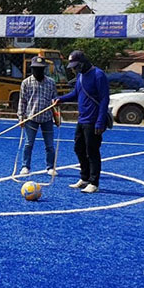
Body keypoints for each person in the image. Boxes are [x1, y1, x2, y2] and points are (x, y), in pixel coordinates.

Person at [54, 49, 110, 193]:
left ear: (84, 62)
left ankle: (94, 182)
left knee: (92, 151)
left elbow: (104, 99)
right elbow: (76, 94)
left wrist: (100, 121)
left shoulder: (98, 75)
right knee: (78, 148)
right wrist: (61, 99)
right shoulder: (80, 77)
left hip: (94, 120)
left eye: (76, 66)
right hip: (82, 119)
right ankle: (84, 177)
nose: (74, 69)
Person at [16, 56, 58, 176]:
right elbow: (22, 101)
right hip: (31, 118)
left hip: (47, 118)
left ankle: (50, 167)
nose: (38, 71)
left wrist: (57, 118)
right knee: (28, 144)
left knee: (49, 145)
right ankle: (25, 166)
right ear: (32, 69)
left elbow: (55, 102)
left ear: (44, 69)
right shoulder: (26, 83)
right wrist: (21, 117)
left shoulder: (51, 83)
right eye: (36, 69)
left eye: (40, 69)